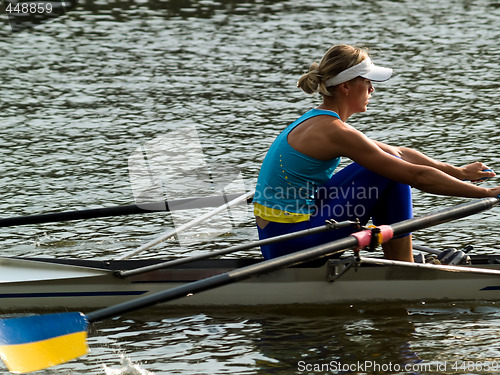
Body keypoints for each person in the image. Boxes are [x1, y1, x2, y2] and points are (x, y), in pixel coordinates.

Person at [253, 44, 499, 262]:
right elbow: (417, 177)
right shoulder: (335, 131)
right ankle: (405, 269)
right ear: (346, 86)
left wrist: (460, 172)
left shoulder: (320, 121)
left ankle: (400, 261)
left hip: (279, 236)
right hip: (290, 246)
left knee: (389, 164)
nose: (372, 89)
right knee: (392, 172)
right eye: (367, 81)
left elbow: (400, 152)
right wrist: (484, 194)